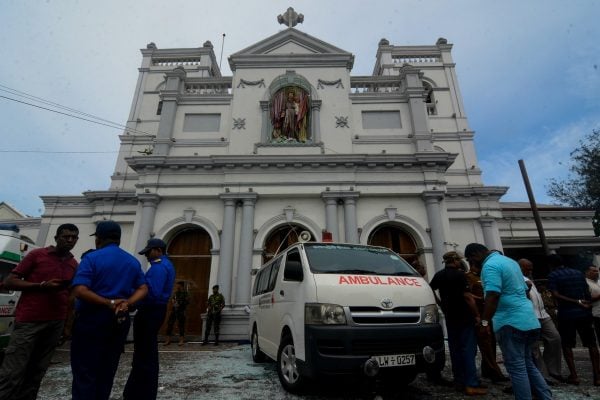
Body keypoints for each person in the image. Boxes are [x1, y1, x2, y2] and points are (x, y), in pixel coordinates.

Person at [70, 220, 148, 400]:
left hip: (91, 320)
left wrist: (108, 302)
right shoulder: (132, 261)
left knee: (85, 372)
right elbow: (143, 288)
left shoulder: (92, 258)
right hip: (118, 321)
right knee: (107, 370)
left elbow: (79, 290)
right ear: (118, 239)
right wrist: (126, 303)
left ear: (98, 239)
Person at [0, 223, 79, 400]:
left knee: (37, 372)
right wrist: (41, 285)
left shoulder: (74, 264)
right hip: (30, 320)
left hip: (55, 322)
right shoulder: (37, 255)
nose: (70, 240)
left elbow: (71, 297)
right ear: (56, 238)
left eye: (74, 237)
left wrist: (67, 326)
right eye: (66, 236)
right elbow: (9, 281)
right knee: (13, 371)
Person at [465, 243, 551, 400]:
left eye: (471, 259)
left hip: (510, 323)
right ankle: (546, 397)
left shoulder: (490, 266)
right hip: (529, 319)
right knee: (528, 364)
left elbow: (492, 295)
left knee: (516, 368)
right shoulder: (510, 261)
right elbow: (525, 288)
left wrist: (484, 323)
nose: (471, 264)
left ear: (476, 255)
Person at [123, 238, 175, 400]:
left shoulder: (159, 268)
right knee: (146, 352)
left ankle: (141, 391)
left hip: (150, 311)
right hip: (154, 310)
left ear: (158, 250)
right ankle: (141, 389)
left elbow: (152, 293)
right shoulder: (163, 265)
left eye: (148, 252)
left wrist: (132, 299)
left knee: (144, 353)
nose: (146, 255)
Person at [429, 251, 486, 395]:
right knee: (468, 350)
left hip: (450, 316)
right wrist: (478, 316)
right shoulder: (461, 275)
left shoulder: (439, 275)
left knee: (455, 350)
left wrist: (440, 303)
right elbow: (467, 296)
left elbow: (430, 289)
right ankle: (471, 383)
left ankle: (459, 381)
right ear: (455, 261)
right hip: (465, 316)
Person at [547, 254, 600, 386]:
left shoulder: (553, 275)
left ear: (551, 265)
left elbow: (556, 295)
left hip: (566, 314)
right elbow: (586, 293)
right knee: (592, 344)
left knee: (567, 345)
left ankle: (574, 376)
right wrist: (585, 303)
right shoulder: (577, 273)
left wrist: (575, 302)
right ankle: (597, 377)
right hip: (584, 313)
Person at [518, 258, 563, 383]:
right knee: (534, 347)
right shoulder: (517, 278)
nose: (530, 270)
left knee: (555, 338)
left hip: (543, 314)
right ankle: (542, 375)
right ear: (520, 267)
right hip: (530, 316)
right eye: (527, 268)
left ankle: (552, 370)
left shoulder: (529, 278)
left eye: (531, 268)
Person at [465, 259, 509, 383]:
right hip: (478, 314)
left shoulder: (484, 276)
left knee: (491, 343)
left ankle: (488, 370)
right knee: (485, 344)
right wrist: (480, 298)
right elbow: (467, 294)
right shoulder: (468, 277)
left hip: (488, 314)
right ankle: (494, 372)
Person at [164, 281, 190, 346]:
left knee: (181, 325)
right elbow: (173, 299)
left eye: (178, 285)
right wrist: (173, 301)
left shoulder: (185, 293)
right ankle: (168, 340)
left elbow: (187, 302)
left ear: (181, 286)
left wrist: (180, 303)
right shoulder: (175, 293)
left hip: (181, 311)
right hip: (174, 310)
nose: (176, 287)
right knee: (170, 324)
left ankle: (181, 340)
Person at [586, 265, 600, 343]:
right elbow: (586, 300)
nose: (597, 272)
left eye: (597, 271)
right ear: (587, 272)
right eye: (594, 271)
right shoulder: (586, 283)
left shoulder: (599, 281)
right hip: (596, 314)